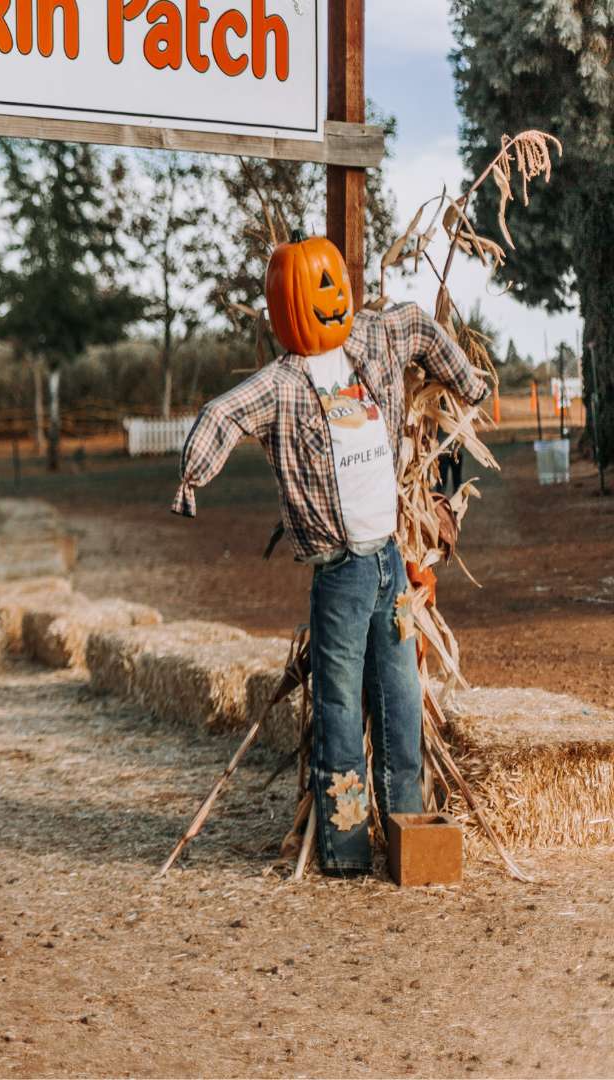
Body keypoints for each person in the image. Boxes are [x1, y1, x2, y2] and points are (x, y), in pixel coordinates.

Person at [172, 238, 488, 876]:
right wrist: (190, 481)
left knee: (399, 696)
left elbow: (420, 326)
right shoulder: (284, 386)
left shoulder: (372, 340)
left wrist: (469, 383)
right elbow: (220, 414)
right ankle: (344, 851)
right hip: (340, 573)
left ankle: (407, 830)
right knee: (340, 707)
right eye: (314, 287)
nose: (331, 295)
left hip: (390, 566)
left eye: (334, 282)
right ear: (284, 306)